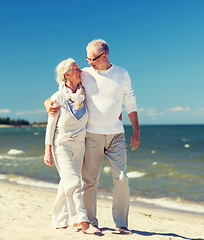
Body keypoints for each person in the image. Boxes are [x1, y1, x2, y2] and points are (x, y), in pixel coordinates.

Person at [45, 39, 140, 234]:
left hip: (116, 135)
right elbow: (60, 91)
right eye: (86, 59)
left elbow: (130, 102)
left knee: (122, 179)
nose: (89, 63)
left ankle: (121, 223)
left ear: (103, 56)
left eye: (91, 59)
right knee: (89, 181)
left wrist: (136, 131)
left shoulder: (122, 74)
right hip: (91, 135)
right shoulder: (85, 74)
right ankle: (89, 220)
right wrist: (47, 104)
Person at [43, 58, 99, 234]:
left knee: (66, 183)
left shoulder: (84, 94)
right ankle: (81, 221)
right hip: (62, 146)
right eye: (76, 69)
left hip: (80, 146)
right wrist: (48, 151)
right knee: (74, 182)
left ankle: (59, 220)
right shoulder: (59, 97)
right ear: (66, 75)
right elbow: (50, 126)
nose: (79, 71)